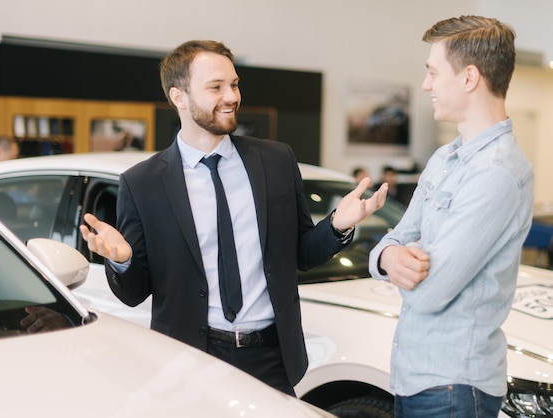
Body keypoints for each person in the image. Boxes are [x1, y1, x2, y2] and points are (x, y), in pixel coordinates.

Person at [80, 39, 388, 396]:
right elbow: (134, 294)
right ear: (178, 97)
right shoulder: (142, 182)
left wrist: (337, 225)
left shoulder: (276, 160)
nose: (231, 96)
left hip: (271, 357)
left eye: (234, 84)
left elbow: (302, 254)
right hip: (188, 358)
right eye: (215, 87)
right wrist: (123, 259)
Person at [369, 16, 534, 418]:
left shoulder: (496, 172)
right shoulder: (446, 158)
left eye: (433, 72)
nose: (426, 85)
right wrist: (390, 257)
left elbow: (429, 292)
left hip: (455, 388)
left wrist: (397, 256)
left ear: (469, 77)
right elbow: (394, 238)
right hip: (415, 377)